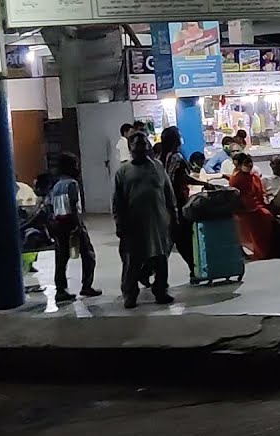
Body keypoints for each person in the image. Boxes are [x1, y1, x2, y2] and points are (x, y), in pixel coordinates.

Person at [113, 132, 178, 308]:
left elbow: (168, 193)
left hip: (158, 222)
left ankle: (160, 291)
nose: (142, 149)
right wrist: (120, 223)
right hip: (134, 223)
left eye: (144, 145)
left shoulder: (157, 167)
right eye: (137, 145)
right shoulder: (123, 172)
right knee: (132, 260)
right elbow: (118, 201)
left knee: (160, 258)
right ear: (131, 149)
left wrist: (173, 215)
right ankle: (130, 294)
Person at [158, 127, 214, 277]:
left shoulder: (162, 157)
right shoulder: (177, 157)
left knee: (170, 241)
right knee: (183, 239)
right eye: (179, 136)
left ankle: (149, 272)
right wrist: (204, 184)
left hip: (165, 203)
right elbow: (181, 179)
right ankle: (193, 269)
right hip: (178, 202)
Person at [47, 153, 100, 302]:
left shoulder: (56, 185)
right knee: (88, 255)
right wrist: (79, 226)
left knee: (61, 258)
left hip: (58, 224)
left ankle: (60, 289)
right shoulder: (72, 184)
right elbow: (73, 205)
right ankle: (86, 286)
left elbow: (50, 206)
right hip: (71, 222)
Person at [227, 153, 277, 261]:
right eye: (246, 163)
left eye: (250, 162)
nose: (249, 165)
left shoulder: (254, 177)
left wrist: (266, 198)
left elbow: (261, 193)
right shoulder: (236, 179)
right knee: (262, 217)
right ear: (240, 165)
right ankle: (261, 252)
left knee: (268, 216)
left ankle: (269, 249)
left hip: (258, 206)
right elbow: (236, 198)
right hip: (245, 209)